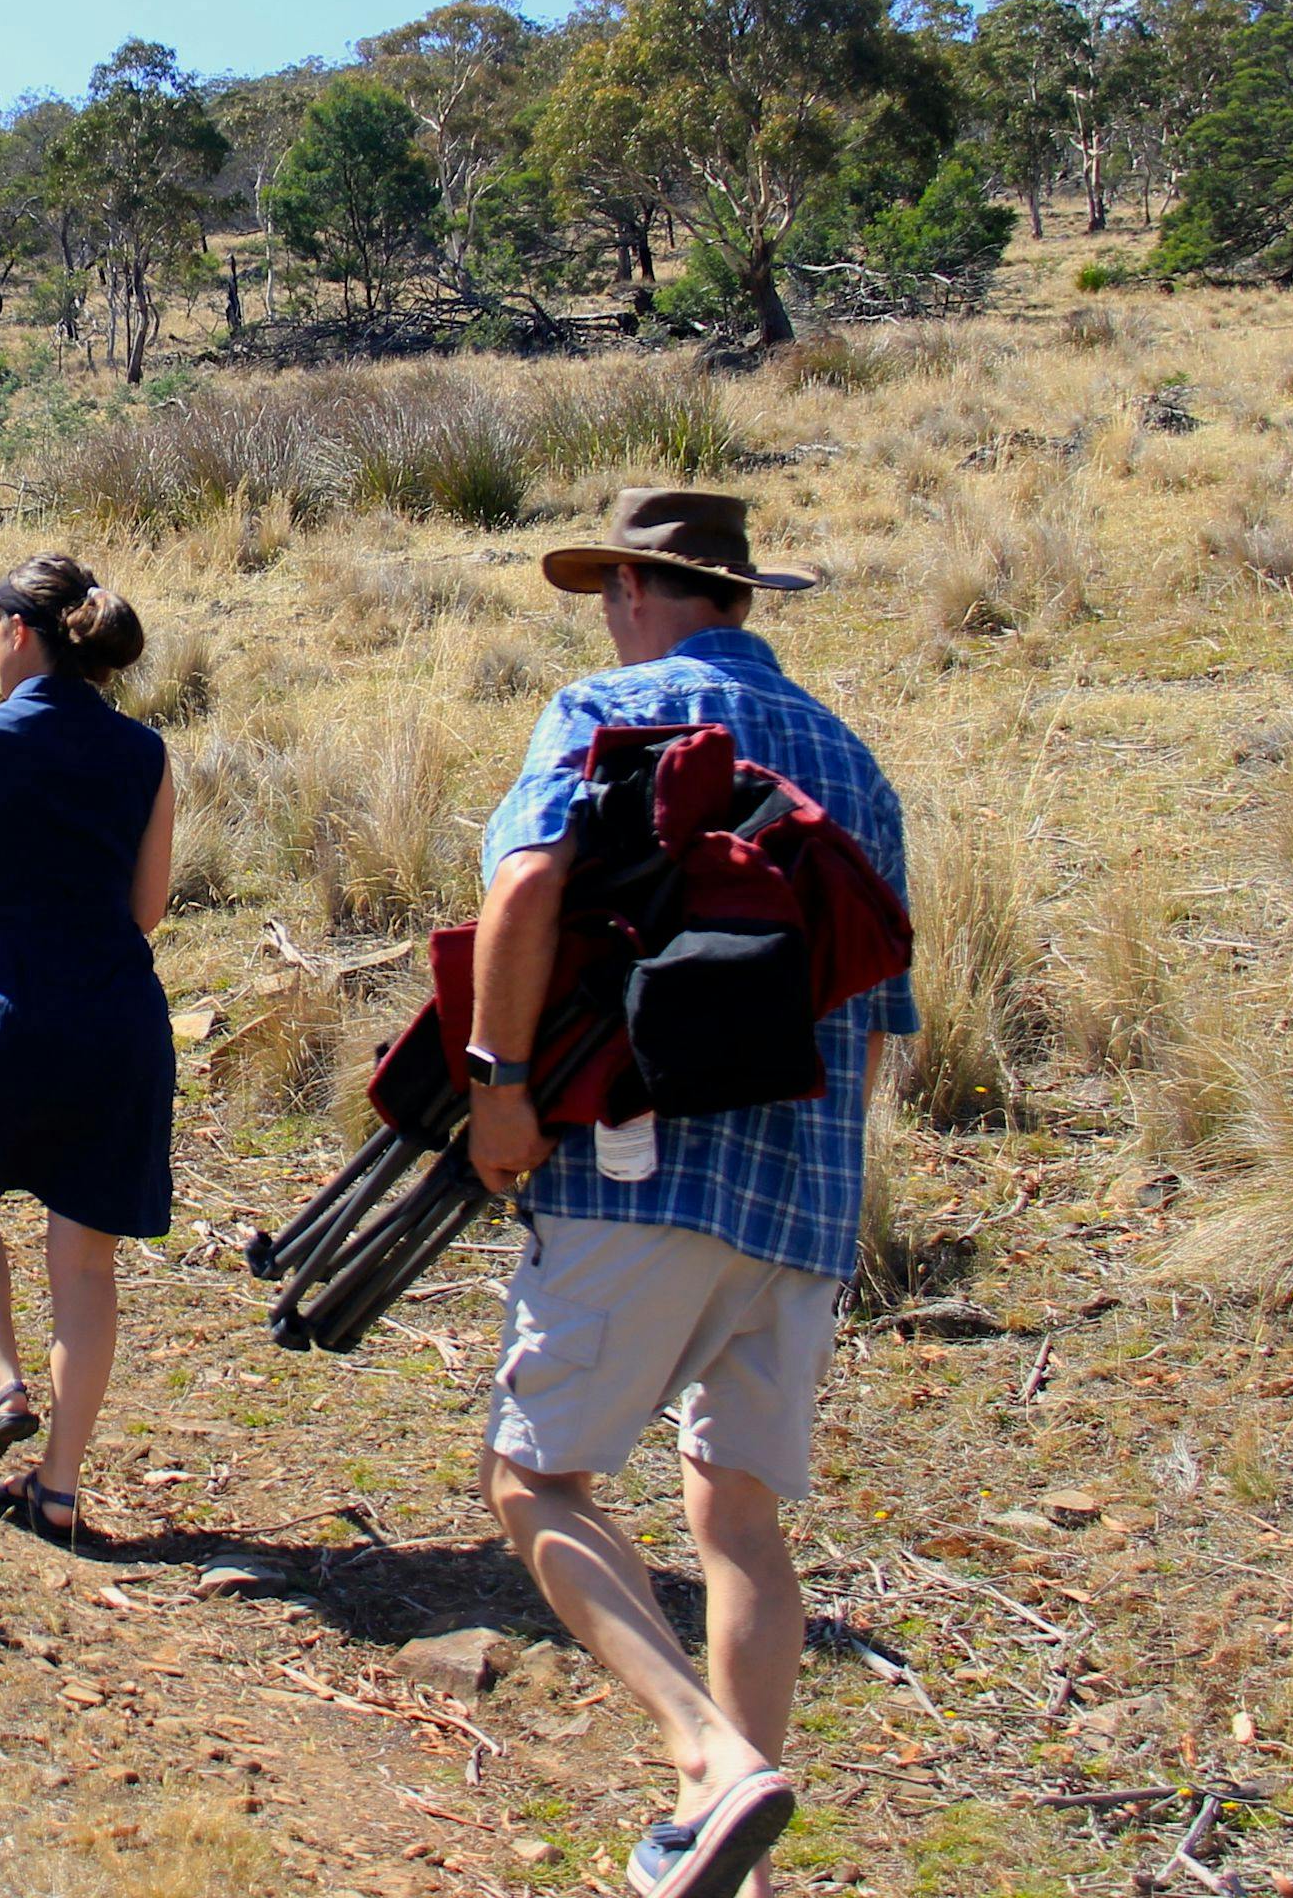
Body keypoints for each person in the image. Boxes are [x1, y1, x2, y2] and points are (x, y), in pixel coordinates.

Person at [459, 489, 914, 1898]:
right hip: (808, 1198)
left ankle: (707, 1762)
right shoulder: (853, 758)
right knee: (742, 1528)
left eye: (612, 586)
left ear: (644, 590)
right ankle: (742, 1861)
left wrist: (499, 1080)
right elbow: (884, 1013)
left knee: (535, 1479)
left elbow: (528, 883)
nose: (605, 610)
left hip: (639, 1173)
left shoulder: (609, 708)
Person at [0, 553, 177, 1545]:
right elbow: (146, 910)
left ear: (19, 631)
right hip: (121, 1022)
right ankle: (58, 1489)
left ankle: (0, 1382)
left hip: (16, 1010)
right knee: (88, 1267)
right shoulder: (147, 752)